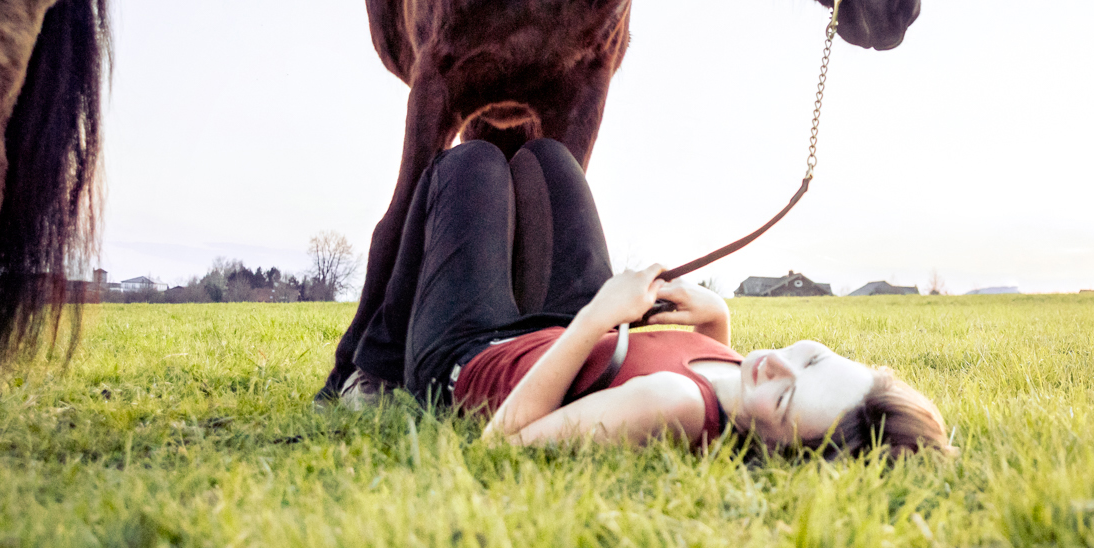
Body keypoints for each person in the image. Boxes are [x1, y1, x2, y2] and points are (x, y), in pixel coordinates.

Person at [346, 137, 953, 457]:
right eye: (812, 358)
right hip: (566, 332)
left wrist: (595, 318)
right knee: (550, 157)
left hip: (474, 356)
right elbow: (712, 375)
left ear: (780, 450)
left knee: (469, 164)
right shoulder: (742, 383)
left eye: (787, 393)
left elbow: (504, 443)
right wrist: (716, 319)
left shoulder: (673, 406)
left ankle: (376, 371)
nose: (777, 364)